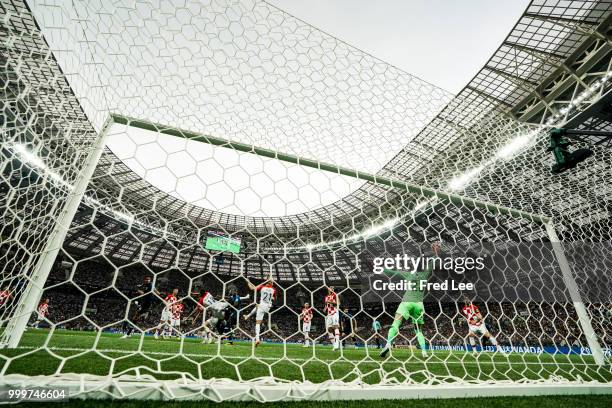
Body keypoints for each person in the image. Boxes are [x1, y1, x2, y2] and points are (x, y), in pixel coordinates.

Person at [380, 242, 441, 358]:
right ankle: (424, 352)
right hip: (419, 305)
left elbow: (391, 272)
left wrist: (380, 267)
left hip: (406, 302)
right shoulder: (425, 274)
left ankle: (388, 344)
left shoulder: (408, 274)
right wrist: (436, 251)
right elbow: (434, 260)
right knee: (418, 331)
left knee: (396, 323)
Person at [244, 275, 276, 347]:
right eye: (272, 280)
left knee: (258, 323)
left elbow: (252, 288)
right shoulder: (274, 289)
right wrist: (271, 297)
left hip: (262, 305)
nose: (273, 282)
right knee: (257, 306)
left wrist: (248, 282)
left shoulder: (262, 287)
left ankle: (257, 339)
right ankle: (247, 316)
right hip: (268, 307)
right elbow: (274, 298)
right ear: (270, 282)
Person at [323, 286, 340, 351]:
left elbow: (338, 303)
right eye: (330, 288)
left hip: (335, 312)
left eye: (333, 288)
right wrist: (325, 308)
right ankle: (334, 345)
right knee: (329, 329)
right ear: (328, 289)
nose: (331, 289)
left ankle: (337, 344)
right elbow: (326, 305)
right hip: (329, 314)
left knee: (335, 326)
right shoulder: (326, 297)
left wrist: (331, 302)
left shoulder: (335, 295)